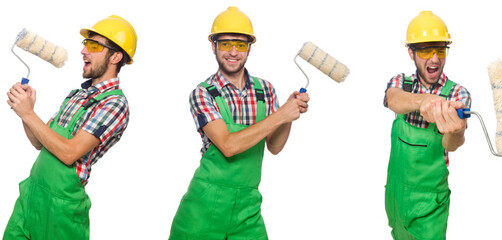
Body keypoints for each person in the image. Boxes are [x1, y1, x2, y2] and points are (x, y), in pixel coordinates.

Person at [169, 6, 309, 239]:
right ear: (213, 46)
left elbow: (274, 146)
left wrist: (289, 115)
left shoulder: (265, 90)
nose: (233, 52)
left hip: (248, 206)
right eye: (225, 44)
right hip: (205, 205)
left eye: (240, 45)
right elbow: (228, 145)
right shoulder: (203, 93)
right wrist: (281, 115)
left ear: (249, 48)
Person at [4, 15, 137, 240]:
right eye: (86, 44)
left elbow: (69, 153)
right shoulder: (77, 95)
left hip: (61, 210)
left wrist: (29, 113)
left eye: (94, 46)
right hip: (31, 196)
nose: (84, 51)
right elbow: (39, 142)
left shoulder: (114, 104)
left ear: (116, 56)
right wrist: (25, 111)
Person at [383, 10, 471, 240]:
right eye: (425, 50)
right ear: (411, 52)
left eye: (440, 49)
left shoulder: (457, 94)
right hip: (396, 196)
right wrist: (424, 101)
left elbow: (452, 145)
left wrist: (456, 130)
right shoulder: (402, 82)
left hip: (429, 204)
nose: (434, 58)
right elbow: (393, 99)